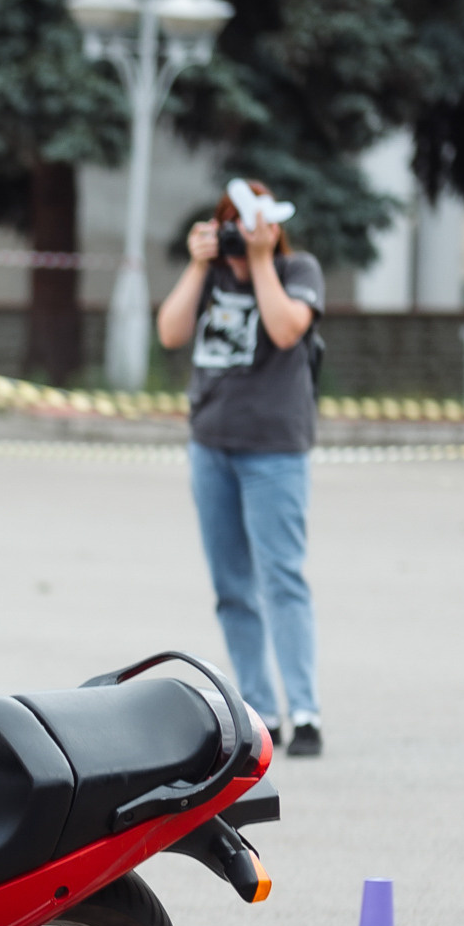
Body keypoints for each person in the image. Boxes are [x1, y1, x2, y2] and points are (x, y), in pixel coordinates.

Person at [155, 178, 326, 757]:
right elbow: (170, 331)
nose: (237, 235)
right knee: (232, 588)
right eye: (228, 223)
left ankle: (304, 712)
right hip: (212, 446)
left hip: (275, 449)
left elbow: (285, 328)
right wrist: (197, 266)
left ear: (272, 226)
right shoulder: (212, 275)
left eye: (248, 225)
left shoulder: (299, 269)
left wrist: (261, 261)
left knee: (282, 580)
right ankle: (260, 711)